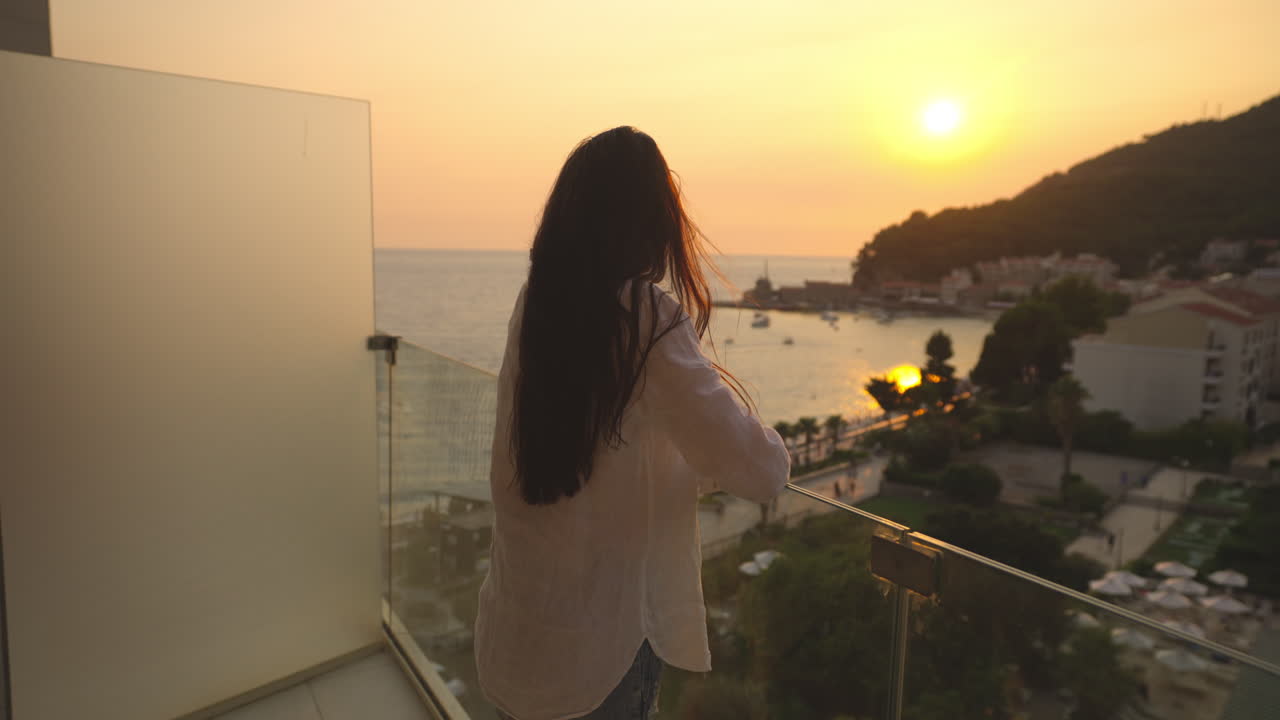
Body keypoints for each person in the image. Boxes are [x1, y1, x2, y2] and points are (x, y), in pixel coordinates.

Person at [474, 126, 791, 720]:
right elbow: (760, 471)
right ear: (651, 221)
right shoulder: (645, 317)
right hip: (602, 654)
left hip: (520, 634)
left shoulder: (538, 305)